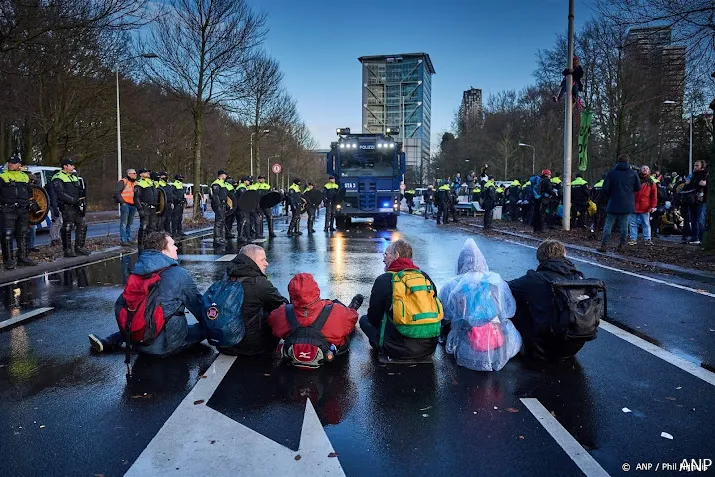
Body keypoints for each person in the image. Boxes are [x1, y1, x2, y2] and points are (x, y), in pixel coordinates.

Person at [88, 231, 206, 355]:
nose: (176, 247)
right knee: (207, 325)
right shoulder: (179, 274)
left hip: (137, 341)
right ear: (163, 251)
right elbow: (199, 308)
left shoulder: (138, 270)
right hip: (165, 346)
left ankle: (110, 340)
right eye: (172, 245)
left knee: (141, 315)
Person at [439, 239, 521, 371]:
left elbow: (445, 315)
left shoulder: (452, 286)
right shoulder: (495, 281)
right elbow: (508, 310)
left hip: (467, 347)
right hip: (496, 342)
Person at [359, 239, 441, 361]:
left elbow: (374, 318)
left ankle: (383, 348)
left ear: (396, 255)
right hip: (429, 347)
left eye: (386, 254)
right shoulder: (424, 277)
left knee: (364, 320)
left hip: (396, 349)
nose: (384, 259)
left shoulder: (384, 279)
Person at [508, 240, 587, 360]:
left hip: (544, 346)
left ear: (540, 259)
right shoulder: (579, 277)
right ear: (564, 255)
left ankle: (519, 344)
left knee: (516, 298)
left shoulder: (535, 279)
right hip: (575, 344)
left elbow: (505, 287)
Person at [268, 273, 362, 358]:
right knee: (347, 326)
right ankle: (352, 306)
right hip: (329, 355)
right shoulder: (336, 311)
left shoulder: (281, 313)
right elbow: (352, 318)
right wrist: (349, 310)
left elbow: (271, 322)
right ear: (316, 289)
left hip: (294, 352)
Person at [218, 244, 288, 355]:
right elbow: (282, 305)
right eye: (262, 260)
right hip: (251, 347)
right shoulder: (258, 282)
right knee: (282, 312)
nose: (267, 263)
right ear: (251, 261)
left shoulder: (227, 276)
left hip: (223, 344)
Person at [596, 154, 640, 253]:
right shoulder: (633, 173)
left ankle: (604, 245)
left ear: (618, 161)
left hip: (613, 202)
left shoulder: (611, 173)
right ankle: (622, 245)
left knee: (608, 225)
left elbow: (605, 188)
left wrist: (610, 196)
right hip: (627, 203)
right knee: (624, 226)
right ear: (628, 161)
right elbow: (638, 187)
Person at [0, 154, 37, 269]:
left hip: (23, 209)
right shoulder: (2, 176)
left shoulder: (25, 177)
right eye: (9, 162)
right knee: (7, 235)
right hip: (7, 209)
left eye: (14, 163)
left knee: (23, 234)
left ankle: (23, 257)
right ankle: (9, 260)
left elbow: (30, 192)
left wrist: (31, 203)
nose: (11, 164)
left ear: (19, 165)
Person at [52, 158, 90, 257]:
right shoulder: (58, 177)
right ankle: (67, 250)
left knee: (82, 225)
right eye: (71, 165)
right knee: (67, 227)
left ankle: (79, 247)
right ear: (65, 166)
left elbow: (79, 191)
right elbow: (60, 193)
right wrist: (73, 201)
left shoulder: (74, 176)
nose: (73, 167)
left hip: (77, 206)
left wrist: (81, 201)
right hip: (67, 206)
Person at [629, 165, 657, 246]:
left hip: (644, 206)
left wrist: (653, 206)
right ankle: (633, 239)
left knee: (645, 224)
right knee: (633, 223)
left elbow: (654, 196)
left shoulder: (651, 182)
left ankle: (647, 239)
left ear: (649, 171)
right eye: (643, 168)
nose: (645, 169)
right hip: (634, 205)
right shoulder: (634, 180)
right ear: (640, 170)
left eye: (647, 168)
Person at [682, 160, 708, 245]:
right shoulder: (692, 176)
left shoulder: (706, 175)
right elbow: (686, 188)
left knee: (700, 220)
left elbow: (708, 188)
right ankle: (695, 237)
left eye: (697, 165)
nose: (695, 167)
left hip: (701, 201)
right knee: (693, 220)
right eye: (694, 165)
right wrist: (687, 184)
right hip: (691, 200)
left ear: (702, 166)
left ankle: (701, 239)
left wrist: (705, 184)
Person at [134, 168, 158, 252]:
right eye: (145, 172)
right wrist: (140, 209)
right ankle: (141, 245)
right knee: (144, 226)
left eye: (148, 172)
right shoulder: (139, 183)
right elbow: (136, 197)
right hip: (145, 207)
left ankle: (150, 244)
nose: (147, 173)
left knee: (152, 227)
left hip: (153, 207)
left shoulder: (151, 183)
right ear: (140, 174)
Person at [115, 168, 138, 245]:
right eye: (133, 173)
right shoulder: (123, 182)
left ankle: (129, 238)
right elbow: (117, 192)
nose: (135, 175)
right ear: (129, 174)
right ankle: (123, 240)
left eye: (135, 173)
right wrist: (122, 203)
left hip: (133, 205)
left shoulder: (135, 183)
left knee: (130, 223)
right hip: (126, 205)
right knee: (124, 223)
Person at [211, 169, 229, 246]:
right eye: (225, 174)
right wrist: (218, 204)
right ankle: (217, 238)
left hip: (223, 204)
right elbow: (215, 195)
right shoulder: (216, 183)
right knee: (218, 222)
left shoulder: (222, 183)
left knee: (221, 221)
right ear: (221, 175)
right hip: (219, 204)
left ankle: (220, 237)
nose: (226, 176)